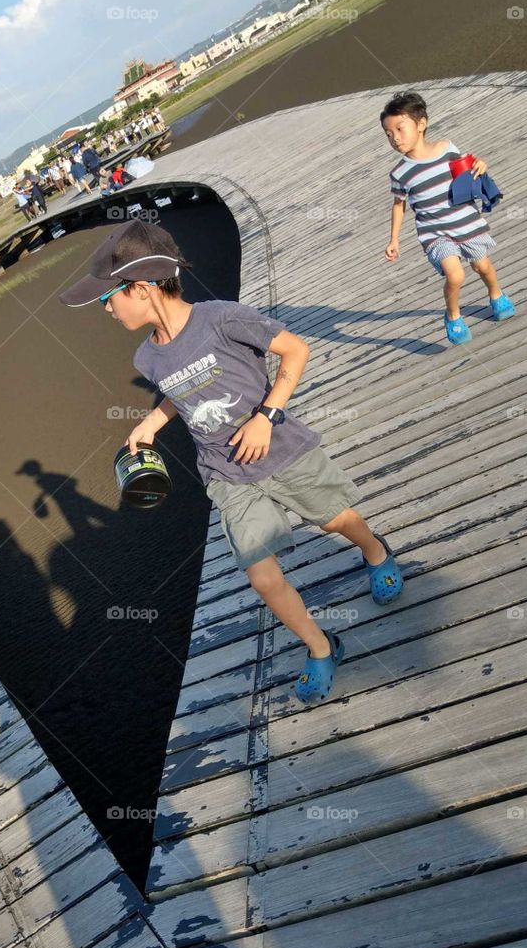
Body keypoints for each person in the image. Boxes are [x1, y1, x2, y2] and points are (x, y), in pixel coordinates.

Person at [59, 218, 405, 706]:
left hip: (281, 448)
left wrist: (266, 416)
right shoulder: (146, 359)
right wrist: (152, 422)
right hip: (226, 473)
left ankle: (376, 554)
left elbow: (295, 350)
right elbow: (182, 390)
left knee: (335, 519)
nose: (107, 309)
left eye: (108, 298)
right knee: (262, 576)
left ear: (141, 288)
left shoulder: (221, 318)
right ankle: (322, 646)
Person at [381, 89, 515, 345]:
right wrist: (394, 240)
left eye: (400, 129)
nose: (395, 138)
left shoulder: (446, 148)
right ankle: (453, 316)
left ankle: (496, 295)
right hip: (435, 233)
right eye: (388, 134)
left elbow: (469, 164)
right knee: (456, 275)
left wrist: (480, 163)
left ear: (421, 124)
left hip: (466, 223)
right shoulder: (400, 173)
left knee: (483, 267)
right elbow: (399, 205)